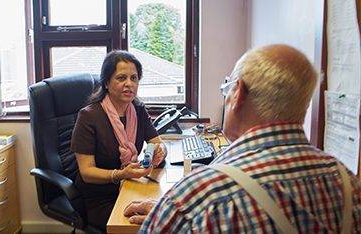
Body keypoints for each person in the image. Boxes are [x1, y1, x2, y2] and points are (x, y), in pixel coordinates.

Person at [124, 44, 361, 233]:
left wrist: (170, 215)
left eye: (225, 89)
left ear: (237, 93)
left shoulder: (196, 199)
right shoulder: (349, 184)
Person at [71, 50, 167, 231]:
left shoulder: (137, 108)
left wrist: (160, 151)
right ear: (106, 82)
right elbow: (86, 172)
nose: (129, 84)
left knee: (163, 215)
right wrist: (120, 174)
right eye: (121, 78)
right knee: (149, 225)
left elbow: (157, 141)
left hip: (130, 185)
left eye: (134, 78)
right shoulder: (89, 116)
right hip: (99, 196)